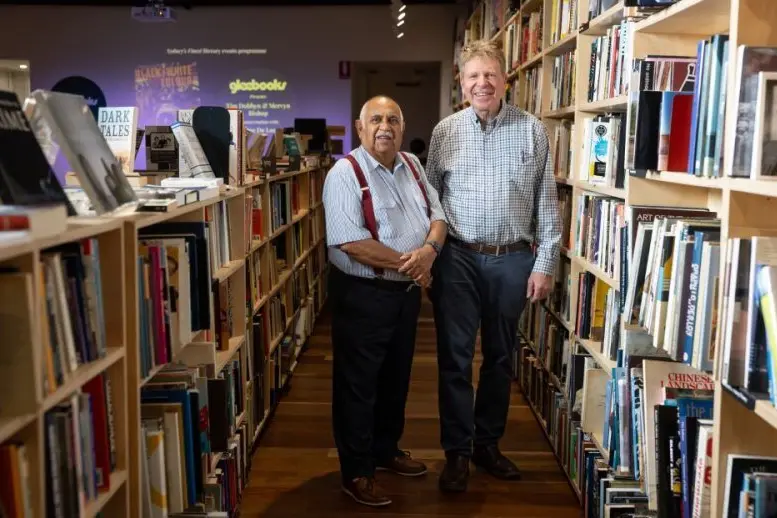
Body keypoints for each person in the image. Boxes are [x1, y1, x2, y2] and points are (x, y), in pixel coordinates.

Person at [425, 39, 561, 493]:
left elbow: (547, 202)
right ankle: (457, 453)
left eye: (490, 75)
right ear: (462, 84)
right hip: (458, 257)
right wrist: (429, 255)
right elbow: (430, 201)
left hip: (513, 259)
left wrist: (544, 263)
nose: (482, 83)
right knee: (455, 359)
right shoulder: (446, 132)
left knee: (501, 359)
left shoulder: (532, 130)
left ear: (505, 79)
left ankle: (487, 444)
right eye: (473, 76)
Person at [322, 95, 448, 507]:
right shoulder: (345, 172)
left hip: (406, 295)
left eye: (393, 119)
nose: (385, 127)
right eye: (375, 119)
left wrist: (428, 251)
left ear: (402, 125)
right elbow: (351, 242)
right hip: (364, 295)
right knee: (359, 385)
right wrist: (412, 265)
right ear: (360, 128)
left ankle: (386, 450)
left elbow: (439, 215)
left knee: (396, 377)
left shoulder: (412, 164)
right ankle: (356, 471)